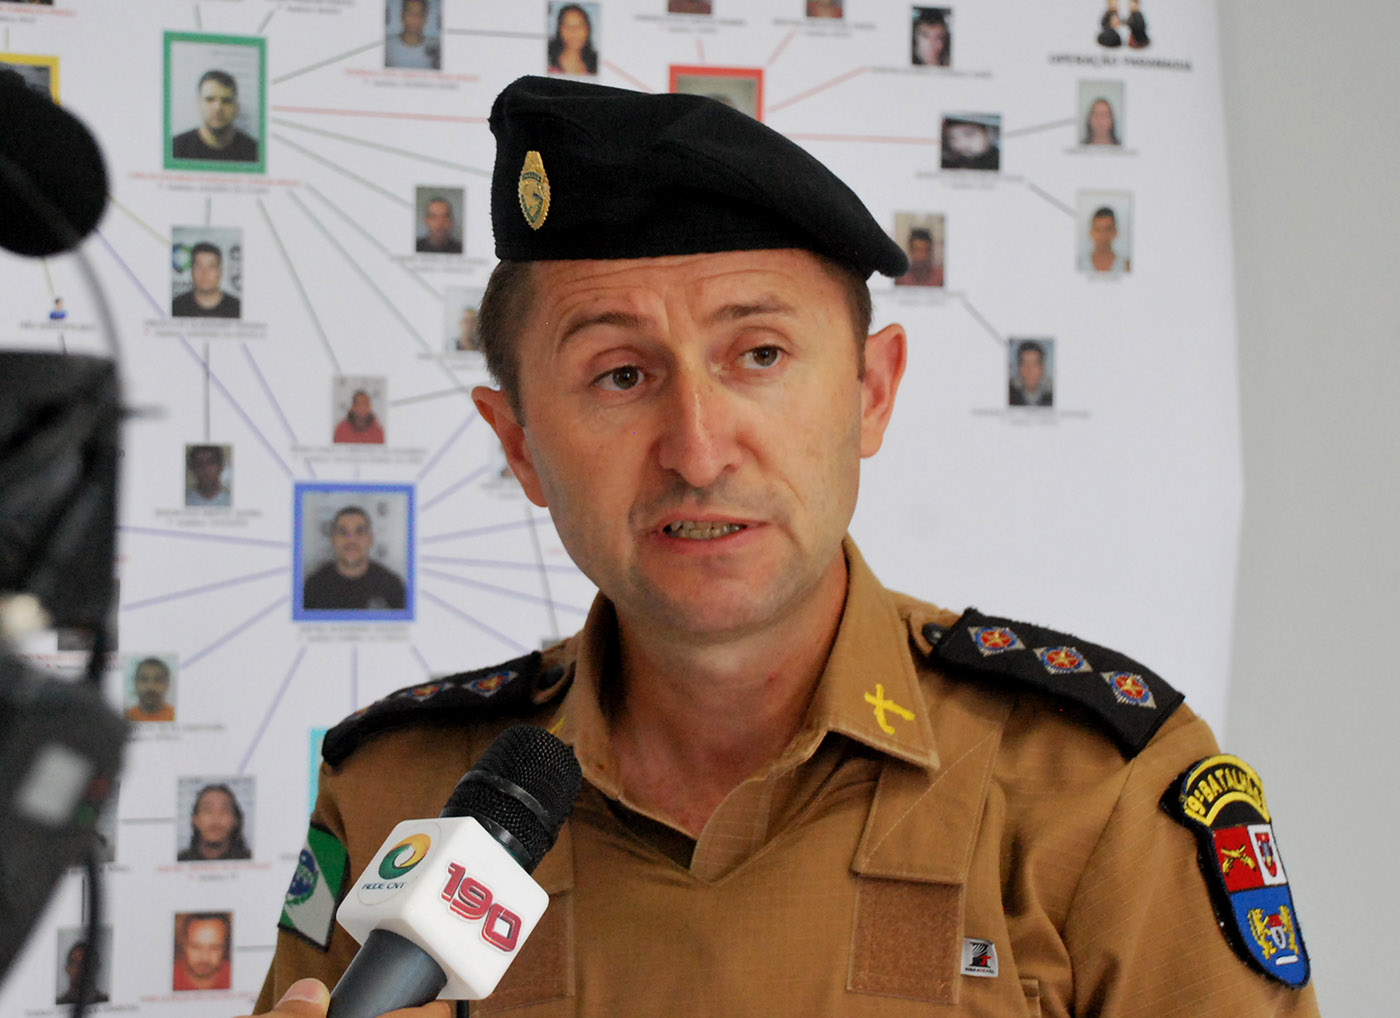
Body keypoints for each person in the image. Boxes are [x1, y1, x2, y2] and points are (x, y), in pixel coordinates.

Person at [252, 76, 1317, 1018]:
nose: (697, 450)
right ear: (519, 443)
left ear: (871, 392)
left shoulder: (1098, 794)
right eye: (620, 375)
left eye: (757, 355)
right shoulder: (401, 793)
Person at [301, 506, 406, 611]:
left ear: (370, 539)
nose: (351, 540)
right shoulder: (313, 586)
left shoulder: (392, 586)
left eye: (359, 532)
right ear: (333, 539)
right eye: (342, 532)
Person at [171, 70, 259, 163]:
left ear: (236, 107)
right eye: (209, 99)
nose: (218, 108)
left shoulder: (255, 152)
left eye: (226, 101)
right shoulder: (175, 149)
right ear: (198, 104)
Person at [178, 783, 253, 861]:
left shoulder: (250, 859)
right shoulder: (180, 860)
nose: (216, 817)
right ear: (195, 820)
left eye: (225, 810)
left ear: (235, 820)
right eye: (207, 809)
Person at [172, 242, 242, 318]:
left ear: (220, 271)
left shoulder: (238, 308)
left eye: (211, 266)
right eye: (199, 266)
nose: (205, 273)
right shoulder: (176, 307)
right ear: (192, 270)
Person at [174, 913, 232, 991]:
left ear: (225, 948)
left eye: (214, 948)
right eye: (196, 947)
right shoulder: (168, 976)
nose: (205, 957)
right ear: (184, 945)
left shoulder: (235, 976)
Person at [385, 0, 441, 70]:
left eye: (420, 14)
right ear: (402, 16)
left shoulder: (436, 46)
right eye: (410, 13)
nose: (414, 18)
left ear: (425, 18)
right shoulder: (387, 46)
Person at [546, 4, 597, 75]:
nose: (573, 31)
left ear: (588, 29)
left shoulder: (597, 65)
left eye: (579, 25)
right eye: (567, 25)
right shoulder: (546, 61)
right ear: (559, 30)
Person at [1081, 204, 1131, 273]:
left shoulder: (1126, 266)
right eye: (1097, 229)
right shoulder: (1079, 264)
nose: (1103, 235)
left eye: (1108, 229)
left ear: (1115, 232)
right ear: (1091, 232)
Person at [56, 940, 109, 1006]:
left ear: (97, 967)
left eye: (86, 963)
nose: (80, 968)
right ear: (67, 968)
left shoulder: (106, 1001)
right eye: (75, 963)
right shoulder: (58, 1004)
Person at [125, 656, 176, 722]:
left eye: (158, 680)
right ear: (135, 684)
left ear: (167, 685)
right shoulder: (127, 717)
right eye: (143, 679)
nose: (151, 686)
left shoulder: (175, 716)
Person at [1008, 340, 1053, 407]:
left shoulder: (1053, 393)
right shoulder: (1009, 392)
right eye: (1025, 364)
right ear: (1019, 368)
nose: (1029, 369)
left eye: (1034, 364)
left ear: (1042, 368)